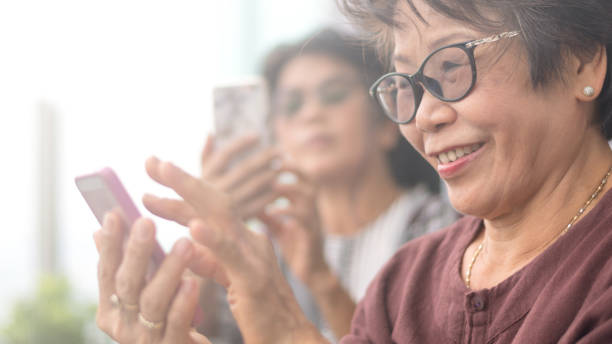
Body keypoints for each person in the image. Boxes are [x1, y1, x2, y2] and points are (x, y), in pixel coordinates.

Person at [92, 0, 612, 343]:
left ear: (580, 61)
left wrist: (280, 322)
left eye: (451, 66)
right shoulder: (405, 280)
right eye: (405, 84)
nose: (424, 116)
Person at [194, 28, 456, 343]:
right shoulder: (269, 247)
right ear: (275, 136)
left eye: (333, 95)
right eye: (292, 105)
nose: (311, 114)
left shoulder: (440, 227)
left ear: (388, 122)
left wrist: (320, 277)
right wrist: (207, 234)